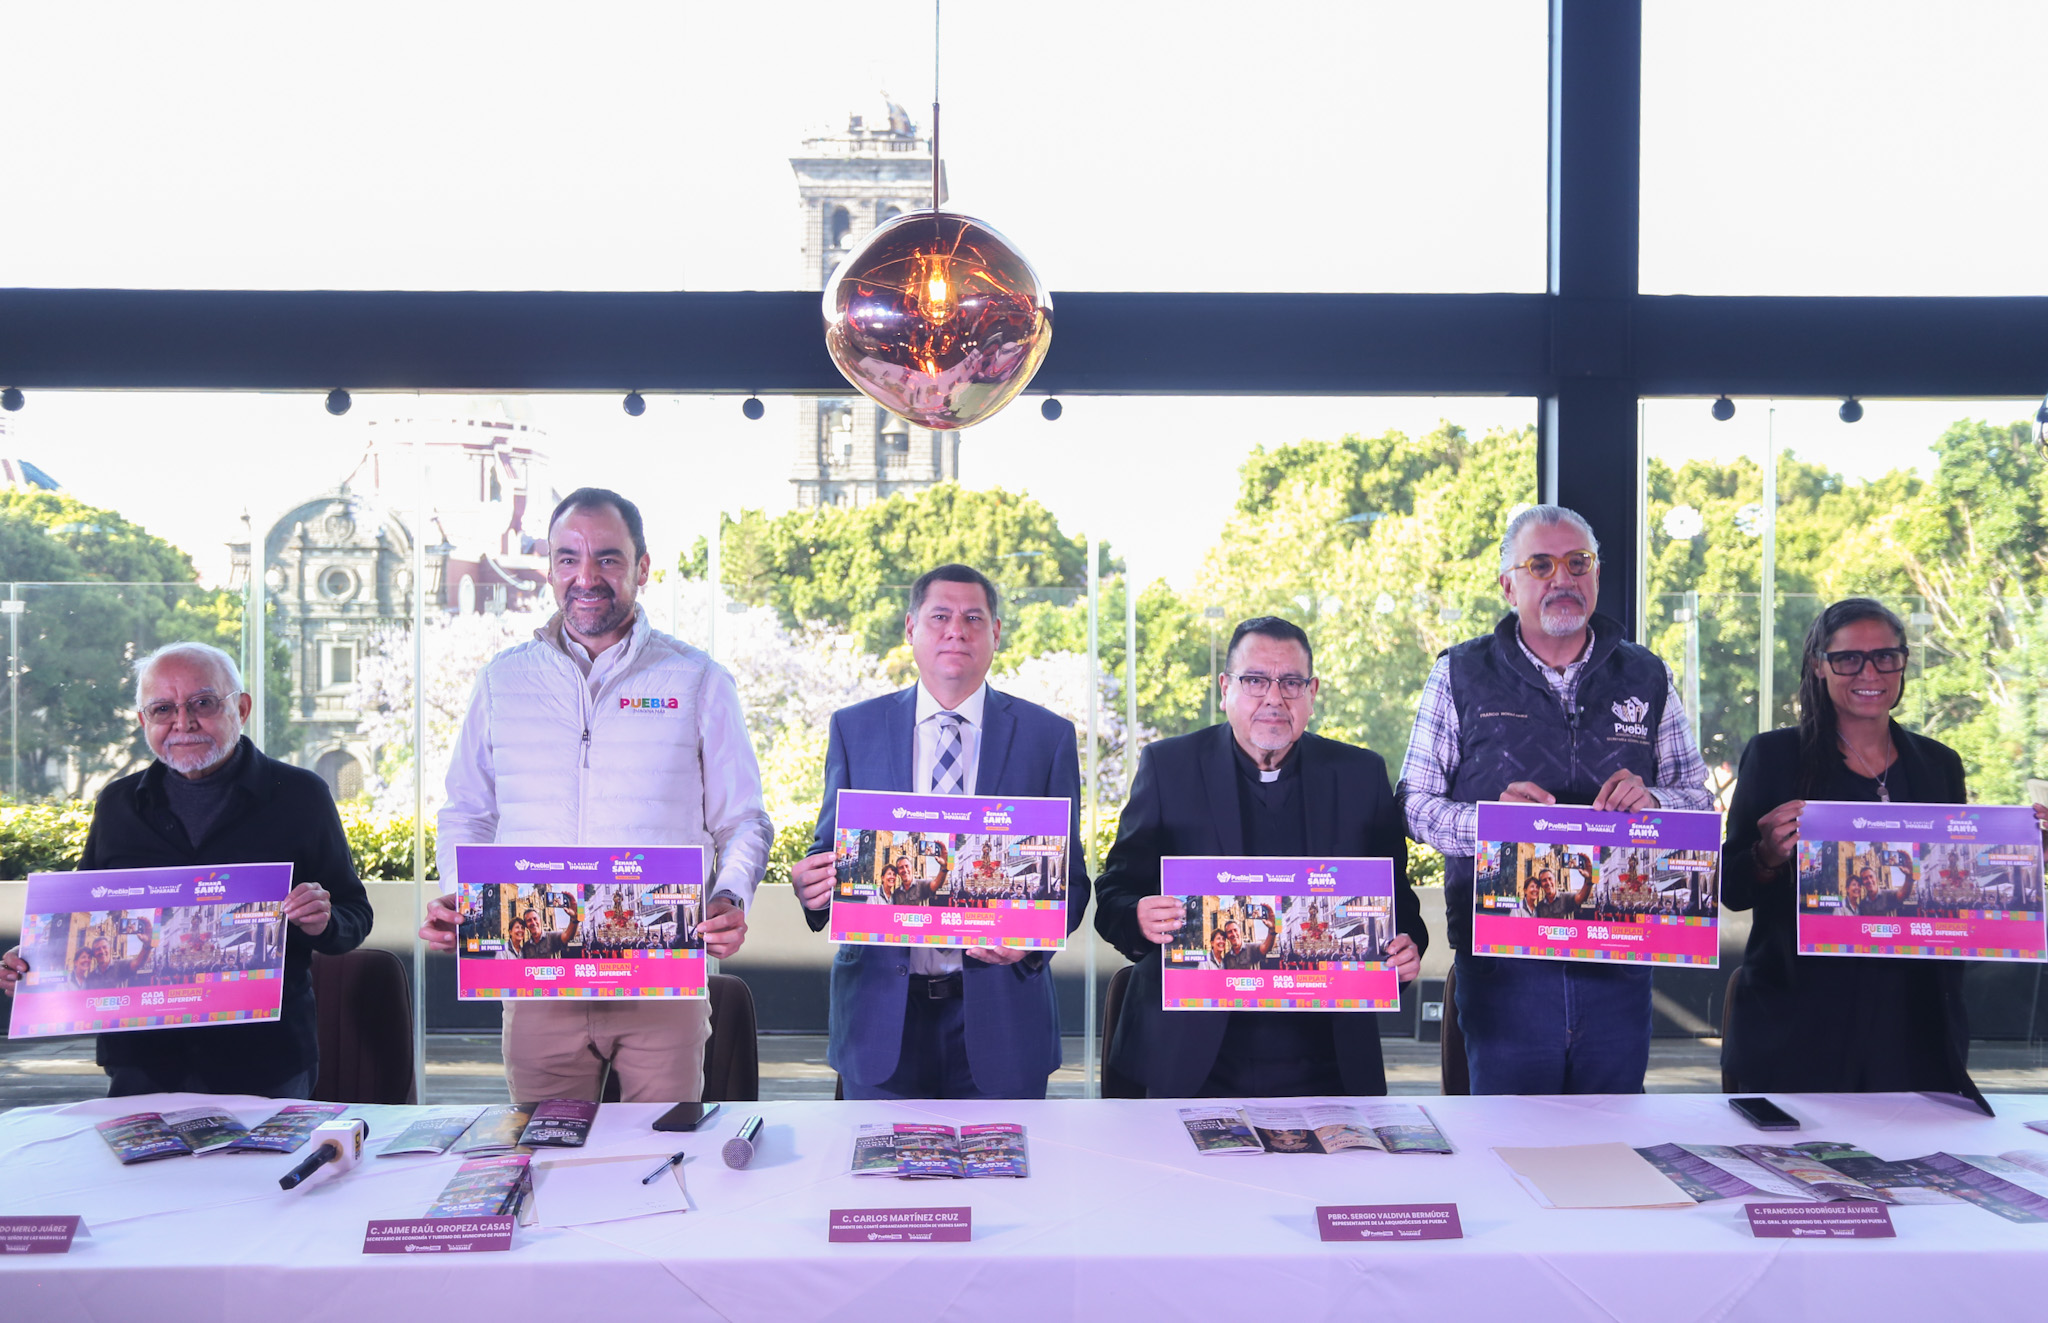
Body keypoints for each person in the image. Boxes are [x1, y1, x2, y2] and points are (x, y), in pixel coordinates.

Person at [418, 488, 773, 1104]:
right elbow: (467, 812)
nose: (586, 577)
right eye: (568, 558)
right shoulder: (503, 680)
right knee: (544, 1153)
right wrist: (461, 894)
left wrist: (730, 894)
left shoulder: (698, 679)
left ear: (642, 568)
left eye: (608, 558)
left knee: (663, 1154)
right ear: (549, 569)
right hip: (536, 979)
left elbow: (743, 820)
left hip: (660, 984)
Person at [1399, 504, 1712, 1094]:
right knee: (1507, 1136)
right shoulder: (1458, 673)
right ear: (1508, 585)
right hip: (1504, 968)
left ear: (1597, 575)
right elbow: (1414, 804)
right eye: (1540, 565)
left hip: (1620, 958)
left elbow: (1699, 801)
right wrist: (1494, 826)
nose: (1562, 578)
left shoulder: (1648, 675)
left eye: (1578, 563)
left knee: (1612, 1136)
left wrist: (1656, 802)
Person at [0, 642, 370, 1097]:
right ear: (144, 722)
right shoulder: (117, 805)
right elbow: (84, 917)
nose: (183, 722)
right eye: (163, 709)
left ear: (242, 708)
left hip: (265, 1059)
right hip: (142, 1061)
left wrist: (324, 920)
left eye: (203, 703)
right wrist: (36, 960)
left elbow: (354, 914)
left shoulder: (300, 796)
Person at [1721, 596, 2048, 1099]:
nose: (1869, 672)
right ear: (1818, 666)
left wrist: (2022, 857)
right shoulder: (1774, 755)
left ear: (1903, 663)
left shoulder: (1939, 764)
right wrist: (1767, 855)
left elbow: (1957, 887)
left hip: (1914, 1027)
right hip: (1800, 1025)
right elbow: (1732, 889)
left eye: (1885, 657)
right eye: (1848, 658)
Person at [791, 564, 1091, 1100]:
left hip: (1003, 1016)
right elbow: (830, 850)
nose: (957, 630)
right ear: (911, 628)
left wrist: (1031, 941)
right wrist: (812, 885)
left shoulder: (1047, 738)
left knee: (1007, 1158)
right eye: (940, 617)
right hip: (881, 1016)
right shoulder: (855, 728)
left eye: (973, 618)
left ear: (996, 632)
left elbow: (1072, 882)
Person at [1095, 615, 1426, 1098]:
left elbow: (1400, 906)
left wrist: (1407, 951)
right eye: (1255, 680)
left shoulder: (1360, 775)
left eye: (1291, 682)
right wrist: (1139, 916)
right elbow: (1115, 892)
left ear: (1312, 692)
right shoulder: (1169, 767)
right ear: (1225, 688)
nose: (1274, 698)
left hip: (1326, 1055)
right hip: (1190, 1050)